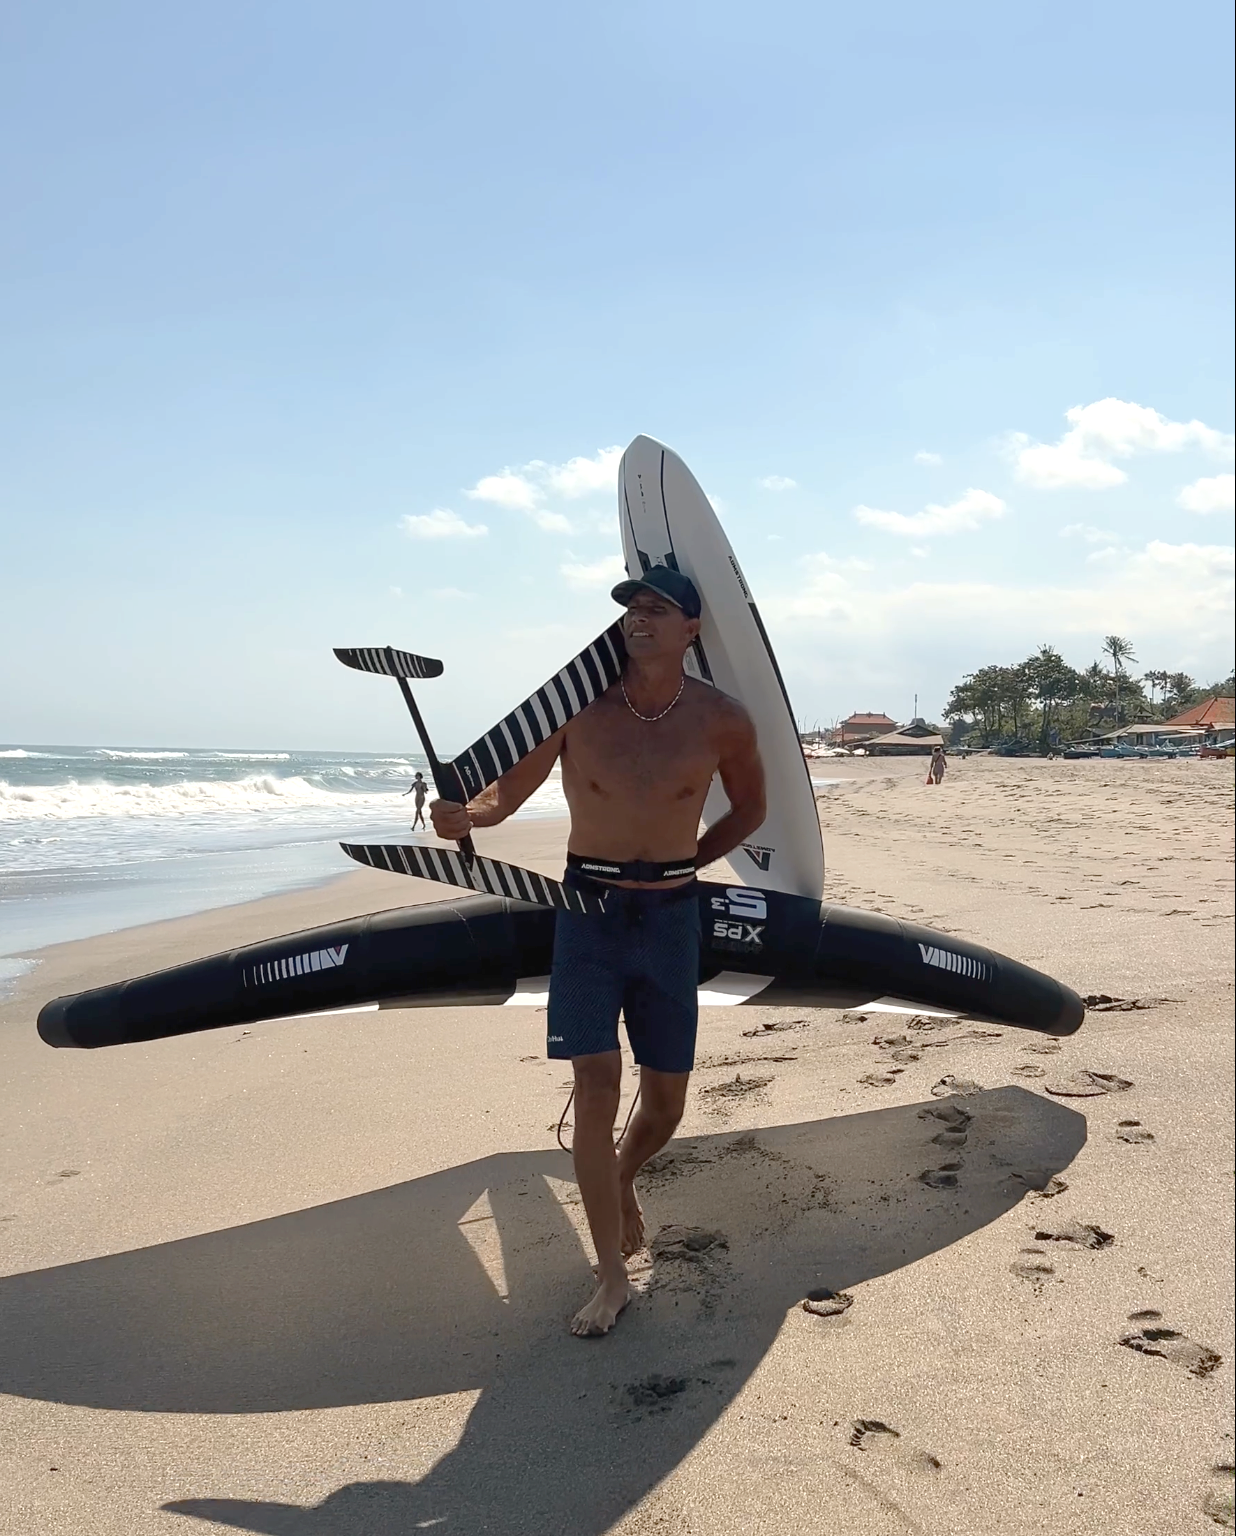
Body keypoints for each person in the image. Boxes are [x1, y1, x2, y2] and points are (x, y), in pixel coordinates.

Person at [431, 567, 766, 1337]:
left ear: (692, 630)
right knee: (597, 1078)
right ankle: (611, 1274)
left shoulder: (723, 720)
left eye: (657, 609)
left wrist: (690, 861)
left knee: (669, 1095)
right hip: (586, 910)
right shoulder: (578, 709)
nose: (638, 619)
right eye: (630, 609)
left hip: (673, 915)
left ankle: (620, 1178)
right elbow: (502, 798)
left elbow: (752, 808)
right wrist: (462, 815)